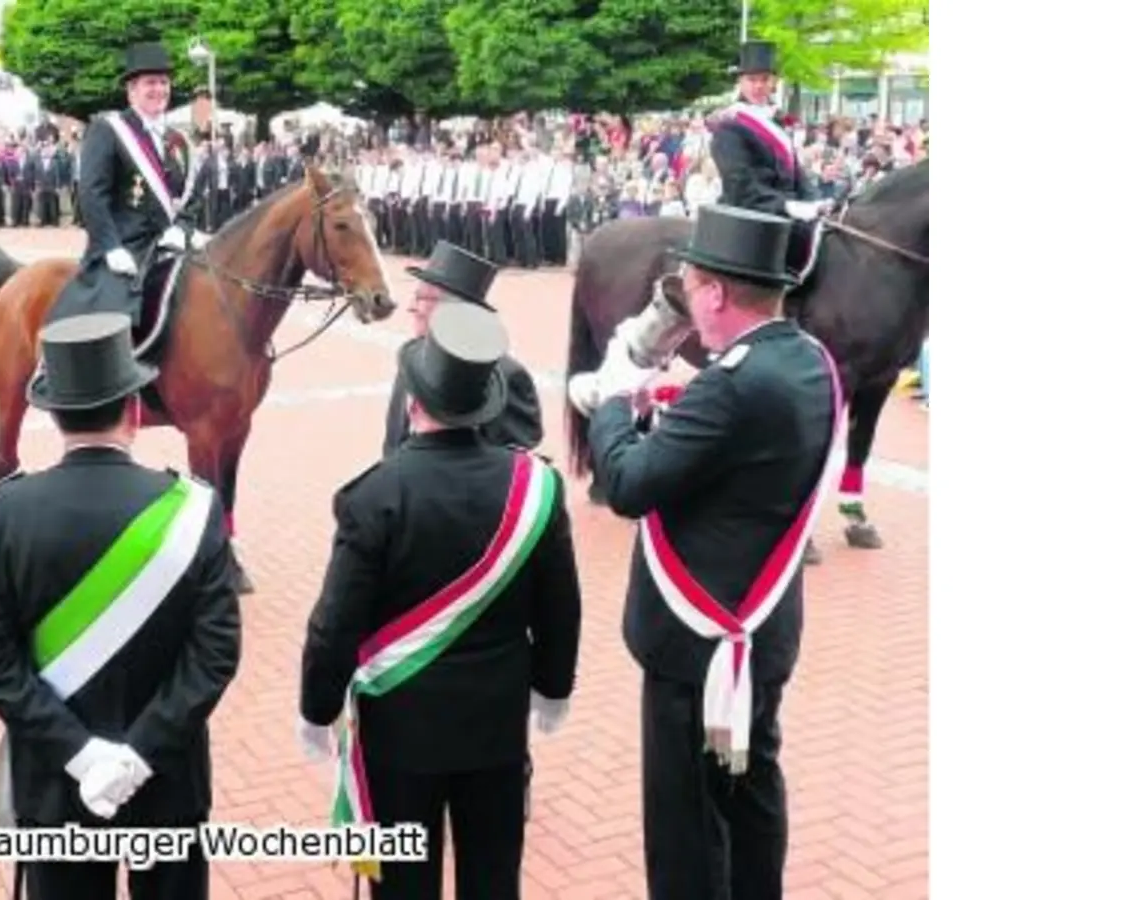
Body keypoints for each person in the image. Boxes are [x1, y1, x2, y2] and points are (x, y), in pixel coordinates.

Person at [565, 205, 847, 900]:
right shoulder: (805, 358)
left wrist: (612, 401)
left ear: (716, 294)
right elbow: (734, 446)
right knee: (749, 791)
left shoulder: (732, 383)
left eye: (689, 287)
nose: (684, 301)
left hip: (698, 646)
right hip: (762, 630)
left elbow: (627, 486)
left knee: (687, 818)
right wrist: (676, 412)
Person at [299, 301, 583, 900]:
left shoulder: (375, 496)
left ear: (412, 404)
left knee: (403, 886)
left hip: (399, 732)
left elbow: (335, 624)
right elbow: (561, 606)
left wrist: (316, 707)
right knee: (492, 877)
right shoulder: (536, 487)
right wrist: (554, 689)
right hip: (497, 727)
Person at [0, 312, 242, 900]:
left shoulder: (0, 513)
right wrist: (138, 757)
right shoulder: (193, 509)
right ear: (136, 413)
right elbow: (215, 654)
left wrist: (82, 755)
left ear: (54, 416)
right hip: (167, 777)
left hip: (55, 781)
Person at [50, 42, 208, 332]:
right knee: (110, 322)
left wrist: (181, 229)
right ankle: (64, 376)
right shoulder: (108, 130)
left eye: (163, 82)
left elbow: (192, 198)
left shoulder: (179, 141)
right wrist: (110, 247)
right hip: (126, 248)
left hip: (171, 245)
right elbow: (91, 194)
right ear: (131, 90)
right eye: (150, 82)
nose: (159, 89)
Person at [383, 241, 541, 457]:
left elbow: (515, 466)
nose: (411, 307)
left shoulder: (506, 376)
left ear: (453, 310)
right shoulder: (411, 362)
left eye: (422, 299)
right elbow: (393, 445)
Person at [709, 41, 829, 279]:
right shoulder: (730, 126)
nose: (758, 86)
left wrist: (816, 201)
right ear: (740, 82)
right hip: (750, 214)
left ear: (773, 82)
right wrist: (787, 206)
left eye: (764, 79)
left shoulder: (776, 122)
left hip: (786, 212)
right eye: (752, 80)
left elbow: (796, 173)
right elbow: (741, 186)